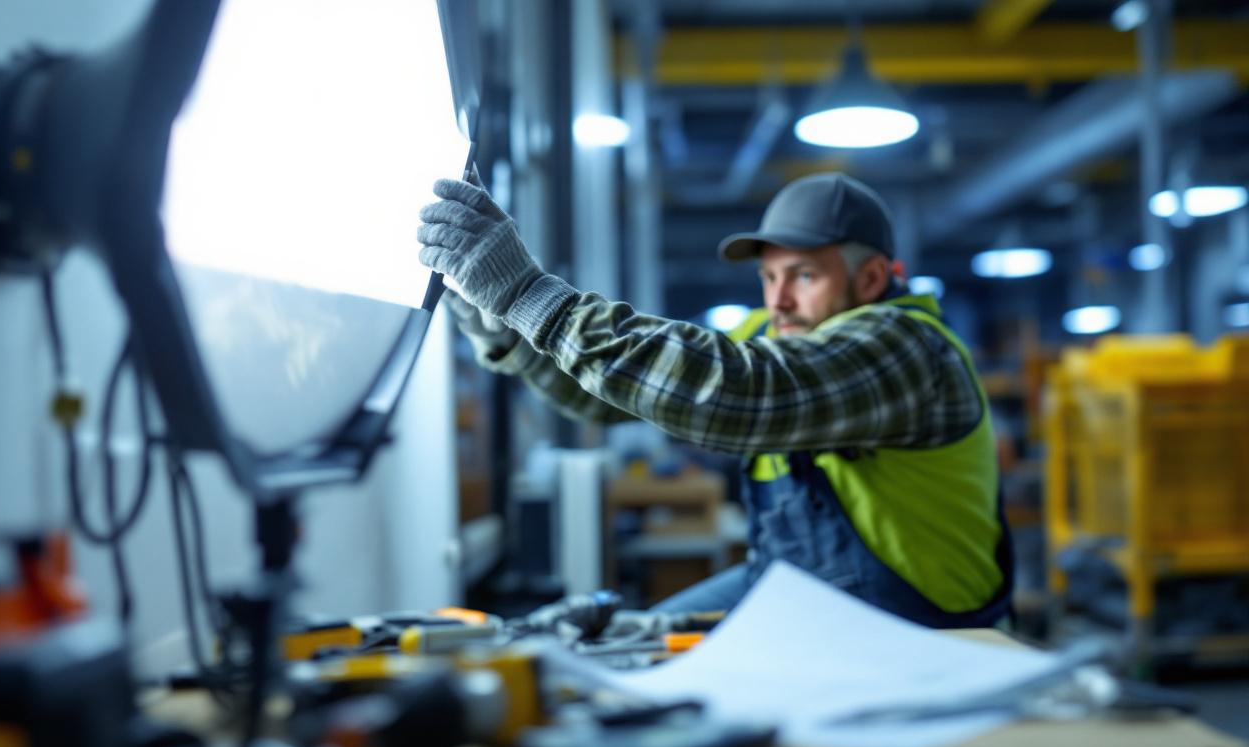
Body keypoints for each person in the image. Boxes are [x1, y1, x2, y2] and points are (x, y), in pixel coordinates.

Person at [418, 172, 1012, 629]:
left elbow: (745, 395)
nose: (777, 301)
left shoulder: (903, 348)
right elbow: (610, 399)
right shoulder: (776, 332)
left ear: (874, 280)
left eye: (803, 276)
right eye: (768, 277)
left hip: (923, 626)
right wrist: (502, 327)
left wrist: (528, 293)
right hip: (796, 591)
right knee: (628, 647)